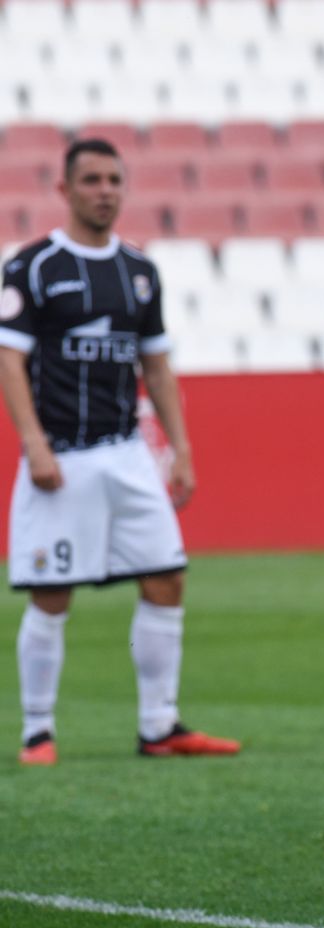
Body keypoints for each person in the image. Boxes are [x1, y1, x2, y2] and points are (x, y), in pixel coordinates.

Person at [1, 139, 239, 766]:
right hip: (62, 456)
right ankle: (37, 732)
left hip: (127, 453)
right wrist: (34, 443)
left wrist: (180, 451)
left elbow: (156, 367)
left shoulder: (139, 271)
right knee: (53, 593)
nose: (105, 190)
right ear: (66, 189)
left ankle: (159, 727)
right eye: (92, 180)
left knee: (167, 575)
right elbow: (10, 359)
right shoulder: (33, 267)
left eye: (114, 180)